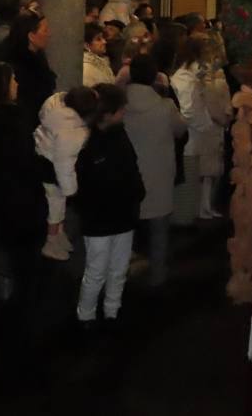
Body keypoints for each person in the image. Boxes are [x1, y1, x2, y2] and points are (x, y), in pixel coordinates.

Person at [0, 62, 55, 324]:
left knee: (9, 249)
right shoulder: (11, 120)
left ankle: (7, 295)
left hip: (0, 198)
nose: (17, 83)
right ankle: (25, 313)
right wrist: (48, 169)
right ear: (1, 85)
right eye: (13, 79)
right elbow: (24, 160)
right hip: (23, 199)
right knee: (27, 259)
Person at [74, 84, 144, 326]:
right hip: (107, 217)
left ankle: (106, 311)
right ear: (108, 113)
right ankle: (89, 314)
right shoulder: (95, 144)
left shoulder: (106, 139)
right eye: (120, 108)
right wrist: (135, 196)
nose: (124, 111)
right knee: (101, 270)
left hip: (108, 217)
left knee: (112, 269)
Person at [123, 54, 185, 286]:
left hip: (128, 176)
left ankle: (121, 277)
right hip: (159, 172)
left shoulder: (120, 104)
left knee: (125, 232)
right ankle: (158, 276)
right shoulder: (165, 106)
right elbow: (181, 130)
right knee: (159, 231)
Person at [171, 36, 231, 220]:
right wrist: (205, 122)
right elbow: (188, 109)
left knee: (207, 171)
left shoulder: (194, 75)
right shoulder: (185, 77)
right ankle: (193, 212)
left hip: (201, 128)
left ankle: (203, 207)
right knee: (195, 175)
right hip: (194, 131)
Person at [35, 86, 95, 261]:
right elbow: (65, 164)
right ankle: (51, 241)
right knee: (55, 206)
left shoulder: (54, 105)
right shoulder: (72, 131)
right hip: (52, 168)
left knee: (55, 204)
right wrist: (71, 189)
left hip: (42, 155)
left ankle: (58, 236)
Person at [83, 23, 116, 87]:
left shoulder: (102, 63)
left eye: (103, 38)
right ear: (87, 45)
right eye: (98, 39)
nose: (104, 42)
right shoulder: (86, 68)